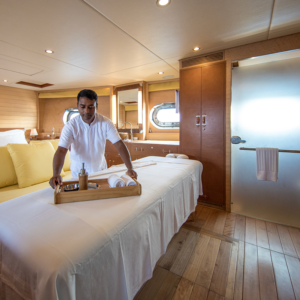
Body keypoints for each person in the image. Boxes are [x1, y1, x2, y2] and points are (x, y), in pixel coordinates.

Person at [49, 89, 137, 189]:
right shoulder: (70, 126)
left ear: (96, 106)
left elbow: (119, 145)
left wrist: (130, 168)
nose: (86, 111)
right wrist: (56, 173)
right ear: (77, 105)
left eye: (91, 107)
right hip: (78, 174)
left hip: (101, 172)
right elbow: (61, 150)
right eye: (82, 107)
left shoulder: (106, 123)